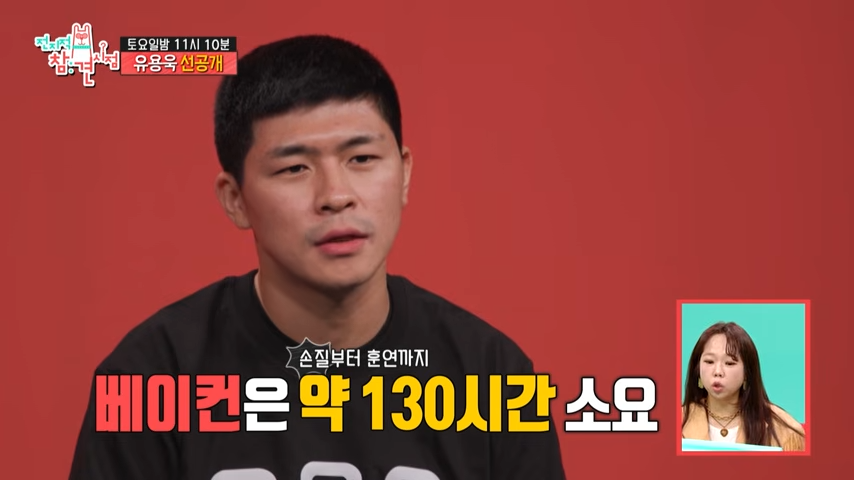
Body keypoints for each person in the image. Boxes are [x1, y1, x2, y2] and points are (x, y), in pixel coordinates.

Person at [69, 34, 566, 480]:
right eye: (294, 168)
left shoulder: (492, 377)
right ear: (235, 199)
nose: (335, 196)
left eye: (362, 159)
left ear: (405, 173)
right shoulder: (153, 379)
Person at [681, 321, 805, 451]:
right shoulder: (675, 421)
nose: (717, 372)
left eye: (729, 363)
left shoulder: (784, 430)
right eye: (709, 361)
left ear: (747, 372)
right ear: (697, 368)